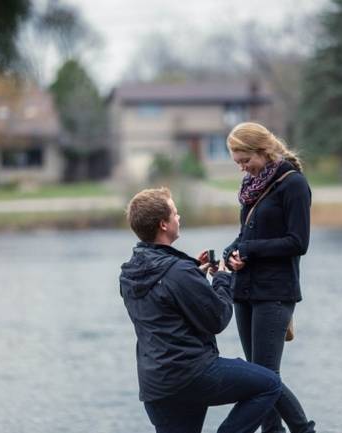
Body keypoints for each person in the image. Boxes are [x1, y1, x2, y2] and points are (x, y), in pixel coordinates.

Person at [119, 187, 282, 433]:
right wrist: (222, 278)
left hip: (156, 386)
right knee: (269, 384)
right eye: (174, 213)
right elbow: (217, 318)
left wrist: (196, 273)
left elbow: (166, 301)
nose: (179, 217)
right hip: (192, 375)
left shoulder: (129, 273)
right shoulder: (178, 272)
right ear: (164, 224)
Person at [223, 122, 316, 433]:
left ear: (262, 151)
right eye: (237, 163)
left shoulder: (293, 184)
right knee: (256, 378)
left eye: (245, 161)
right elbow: (245, 235)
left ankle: (304, 430)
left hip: (275, 293)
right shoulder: (254, 186)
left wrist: (249, 249)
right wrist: (232, 252)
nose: (242, 169)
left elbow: (298, 242)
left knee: (265, 377)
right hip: (244, 290)